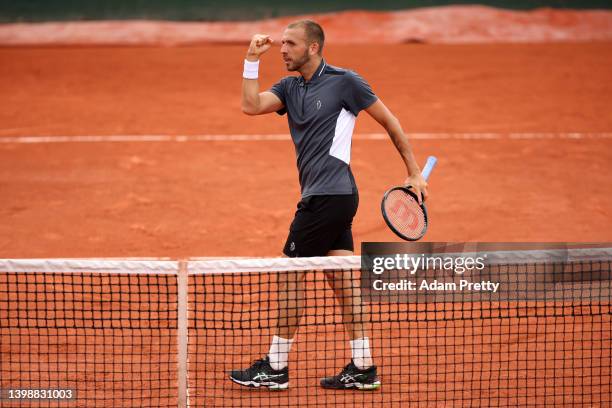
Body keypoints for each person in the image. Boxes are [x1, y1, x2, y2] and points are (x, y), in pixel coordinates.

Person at [229, 20, 428, 391]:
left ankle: (275, 366)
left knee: (290, 274)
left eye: (291, 44)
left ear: (314, 47)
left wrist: (414, 172)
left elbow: (390, 121)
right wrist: (250, 61)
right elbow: (250, 105)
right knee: (342, 283)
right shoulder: (289, 87)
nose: (283, 50)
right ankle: (364, 365)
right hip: (329, 197)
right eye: (282, 43)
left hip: (329, 197)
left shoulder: (346, 82)